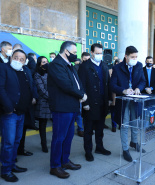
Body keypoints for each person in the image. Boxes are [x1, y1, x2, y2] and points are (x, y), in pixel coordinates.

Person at [48, 41, 87, 179]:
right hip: (62, 108)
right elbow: (66, 85)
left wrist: (82, 93)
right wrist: (81, 95)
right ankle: (55, 166)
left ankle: (64, 161)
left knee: (69, 137)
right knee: (59, 138)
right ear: (66, 52)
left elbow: (77, 82)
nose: (76, 55)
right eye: (74, 53)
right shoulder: (56, 65)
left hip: (72, 107)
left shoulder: (68, 65)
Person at [0, 49, 36, 182]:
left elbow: (31, 85)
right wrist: (8, 107)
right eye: (16, 57)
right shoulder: (4, 68)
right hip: (10, 113)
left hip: (22, 112)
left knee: (16, 140)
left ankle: (12, 165)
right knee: (8, 142)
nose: (18, 61)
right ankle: (5, 170)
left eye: (22, 59)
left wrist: (34, 97)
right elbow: (1, 88)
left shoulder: (25, 70)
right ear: (11, 57)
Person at [110, 46, 146, 162]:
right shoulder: (117, 68)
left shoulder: (139, 65)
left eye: (136, 56)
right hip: (123, 101)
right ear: (126, 56)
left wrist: (138, 88)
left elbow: (142, 81)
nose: (135, 59)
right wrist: (123, 90)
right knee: (125, 124)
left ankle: (134, 142)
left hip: (136, 100)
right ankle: (125, 149)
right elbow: (112, 85)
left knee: (135, 122)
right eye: (132, 57)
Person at [78, 43, 111, 162]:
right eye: (97, 53)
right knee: (88, 130)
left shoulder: (104, 65)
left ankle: (99, 147)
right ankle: (88, 151)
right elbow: (81, 86)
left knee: (100, 128)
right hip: (90, 103)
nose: (99, 55)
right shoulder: (85, 66)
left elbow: (107, 83)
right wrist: (84, 103)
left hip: (102, 102)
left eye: (100, 53)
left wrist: (109, 99)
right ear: (91, 53)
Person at [34, 56, 51, 153]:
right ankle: (43, 144)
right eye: (43, 62)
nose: (46, 63)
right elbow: (41, 90)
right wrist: (51, 97)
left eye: (47, 61)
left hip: (53, 102)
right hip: (43, 102)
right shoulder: (37, 74)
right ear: (39, 63)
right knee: (43, 124)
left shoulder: (51, 72)